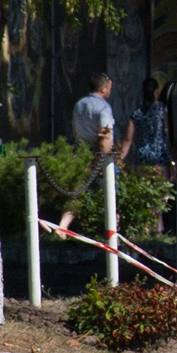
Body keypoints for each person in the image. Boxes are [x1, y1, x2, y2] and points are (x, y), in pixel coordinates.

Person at [59, 72, 117, 235]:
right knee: (112, 192)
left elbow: (75, 131)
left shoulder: (80, 104)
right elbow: (105, 133)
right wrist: (105, 158)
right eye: (110, 88)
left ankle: (63, 226)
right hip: (99, 155)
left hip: (82, 153)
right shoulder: (103, 107)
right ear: (104, 88)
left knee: (78, 192)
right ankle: (113, 231)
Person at [124, 78, 170, 173]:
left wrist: (118, 160)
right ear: (156, 91)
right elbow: (167, 131)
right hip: (160, 158)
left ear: (142, 93)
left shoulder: (137, 113)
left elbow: (128, 140)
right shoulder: (163, 110)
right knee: (160, 187)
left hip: (142, 159)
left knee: (143, 187)